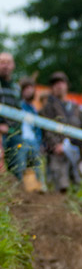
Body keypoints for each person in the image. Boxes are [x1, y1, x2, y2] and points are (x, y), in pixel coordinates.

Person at [40, 71, 82, 191]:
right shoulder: (48, 108)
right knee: (62, 187)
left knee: (81, 187)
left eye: (61, 82)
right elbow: (46, 129)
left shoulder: (75, 107)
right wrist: (55, 145)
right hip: (58, 152)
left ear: (67, 85)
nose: (59, 86)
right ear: (52, 88)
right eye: (55, 83)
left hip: (76, 151)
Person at [19, 76, 46, 192]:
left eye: (31, 88)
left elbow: (38, 128)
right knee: (21, 165)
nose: (29, 91)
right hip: (21, 140)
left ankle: (40, 187)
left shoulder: (34, 109)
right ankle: (20, 189)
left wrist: (40, 142)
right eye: (26, 88)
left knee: (37, 166)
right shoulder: (19, 106)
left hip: (34, 141)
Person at [0, 51, 23, 179]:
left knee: (19, 159)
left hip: (13, 132)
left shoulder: (16, 88)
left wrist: (14, 129)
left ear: (13, 65)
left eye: (8, 63)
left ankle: (18, 193)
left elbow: (19, 112)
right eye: (2, 62)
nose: (5, 66)